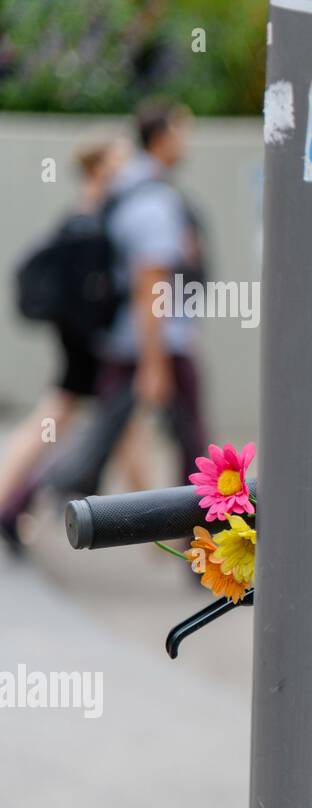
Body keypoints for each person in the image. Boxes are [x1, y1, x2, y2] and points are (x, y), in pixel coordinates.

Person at [1, 99, 209, 553]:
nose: (186, 140)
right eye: (180, 130)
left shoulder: (124, 193)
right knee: (194, 447)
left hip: (123, 339)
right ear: (161, 137)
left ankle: (21, 502)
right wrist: (155, 363)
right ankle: (203, 544)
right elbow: (149, 284)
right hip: (151, 342)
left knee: (103, 435)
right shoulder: (150, 199)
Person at [0, 136, 148, 519]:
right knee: (56, 421)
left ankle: (155, 526)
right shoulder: (88, 222)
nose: (127, 170)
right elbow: (92, 296)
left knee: (115, 429)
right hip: (88, 345)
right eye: (119, 162)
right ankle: (7, 502)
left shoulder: (88, 216)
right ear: (99, 169)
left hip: (83, 341)